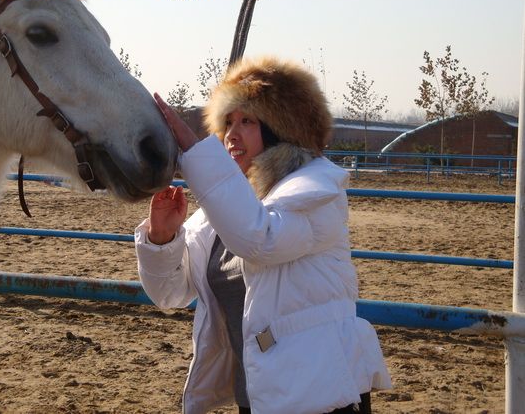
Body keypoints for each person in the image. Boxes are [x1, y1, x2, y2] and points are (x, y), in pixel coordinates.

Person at [134, 56, 391, 414]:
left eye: (247, 121)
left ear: (279, 129)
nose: (231, 135)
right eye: (227, 122)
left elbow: (259, 239)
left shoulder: (316, 189)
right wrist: (161, 238)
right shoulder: (224, 208)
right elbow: (169, 293)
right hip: (258, 395)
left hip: (318, 392)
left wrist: (195, 151)